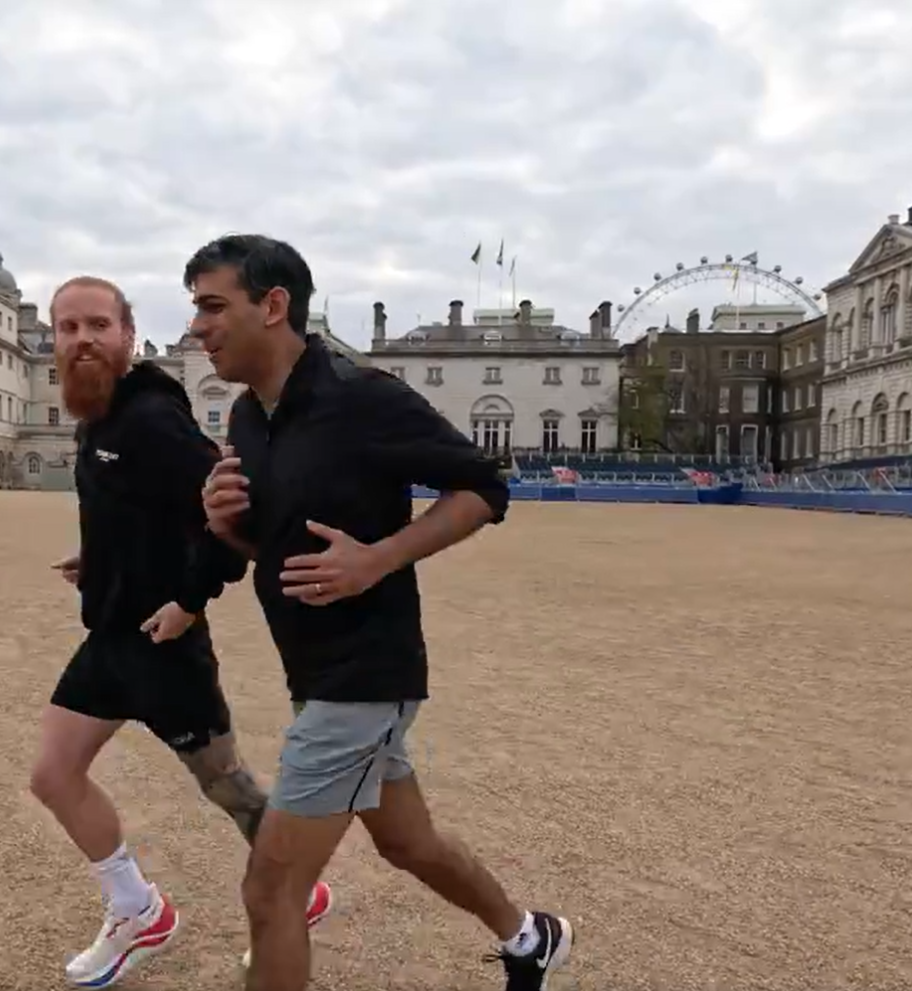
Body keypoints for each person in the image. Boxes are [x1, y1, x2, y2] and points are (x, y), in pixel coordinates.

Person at [188, 234, 573, 991]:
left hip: (363, 679)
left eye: (211, 306)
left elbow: (482, 489)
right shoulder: (245, 418)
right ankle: (532, 936)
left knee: (271, 891)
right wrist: (225, 520)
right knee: (409, 841)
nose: (197, 327)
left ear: (273, 306)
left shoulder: (361, 397)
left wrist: (379, 557)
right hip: (316, 671)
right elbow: (268, 545)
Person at [29, 275, 333, 989]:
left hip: (166, 649)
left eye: (98, 324)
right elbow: (134, 506)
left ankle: (299, 894)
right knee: (54, 774)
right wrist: (99, 556)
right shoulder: (95, 415)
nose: (82, 340)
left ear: (128, 335)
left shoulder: (149, 420)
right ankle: (137, 909)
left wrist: (192, 600)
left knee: (232, 792)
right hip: (109, 640)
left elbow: (235, 506)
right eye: (67, 328)